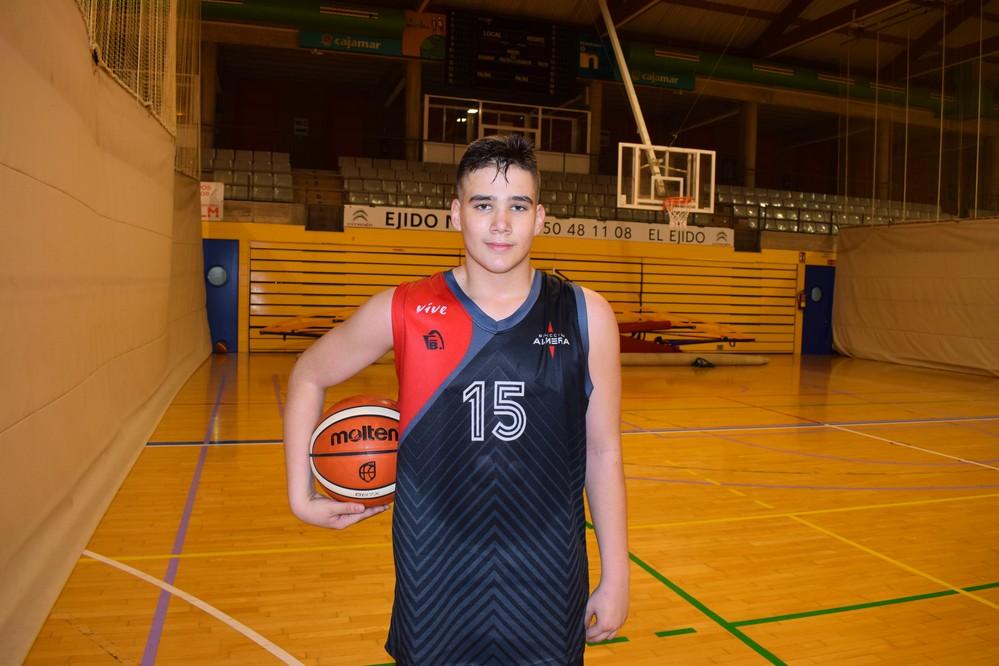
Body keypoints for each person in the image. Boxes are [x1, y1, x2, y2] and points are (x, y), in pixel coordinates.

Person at [283, 134, 628, 665]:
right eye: (483, 204)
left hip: (548, 580)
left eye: (517, 206)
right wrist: (299, 495)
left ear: (540, 218)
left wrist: (617, 574)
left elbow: (603, 452)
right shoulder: (404, 309)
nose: (500, 223)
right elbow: (308, 373)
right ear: (455, 213)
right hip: (435, 580)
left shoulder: (587, 314)